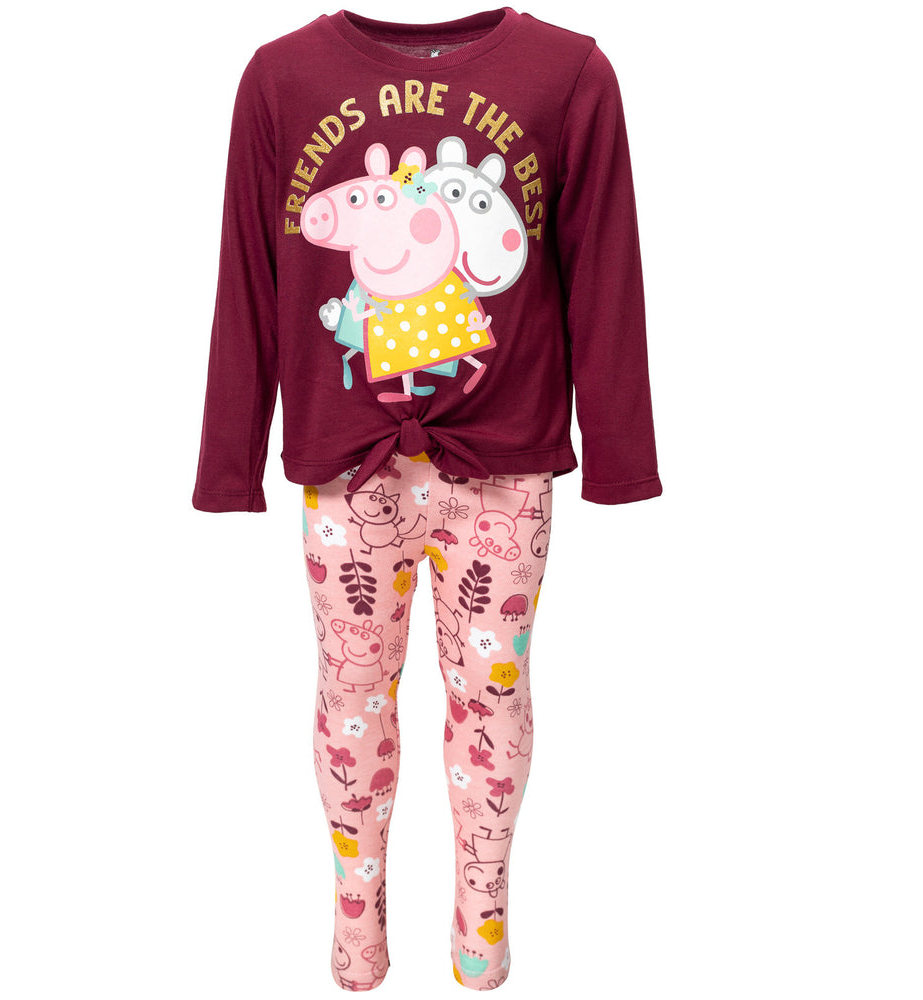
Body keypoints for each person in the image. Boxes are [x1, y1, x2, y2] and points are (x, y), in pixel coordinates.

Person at [192, 8, 662, 990]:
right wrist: (228, 456)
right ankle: (355, 936)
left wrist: (621, 451)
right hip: (347, 469)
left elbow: (605, 270)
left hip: (503, 470)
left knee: (491, 701)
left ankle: (480, 934)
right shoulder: (280, 78)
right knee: (350, 699)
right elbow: (248, 269)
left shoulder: (570, 74)